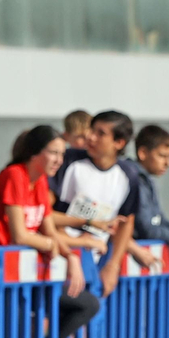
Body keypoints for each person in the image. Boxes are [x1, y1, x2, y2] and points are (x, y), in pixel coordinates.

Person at [0, 125, 105, 338]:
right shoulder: (15, 175)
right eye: (53, 153)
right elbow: (20, 236)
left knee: (88, 305)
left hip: (24, 276)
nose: (59, 160)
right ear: (34, 152)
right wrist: (51, 246)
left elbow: (49, 231)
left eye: (62, 154)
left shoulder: (41, 181)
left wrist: (70, 256)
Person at [54, 109, 138, 296]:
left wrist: (113, 265)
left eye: (101, 133)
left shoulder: (128, 175)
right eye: (92, 130)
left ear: (119, 142)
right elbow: (48, 212)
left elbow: (126, 222)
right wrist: (71, 249)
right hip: (60, 259)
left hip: (94, 264)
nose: (90, 137)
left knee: (90, 309)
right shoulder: (69, 161)